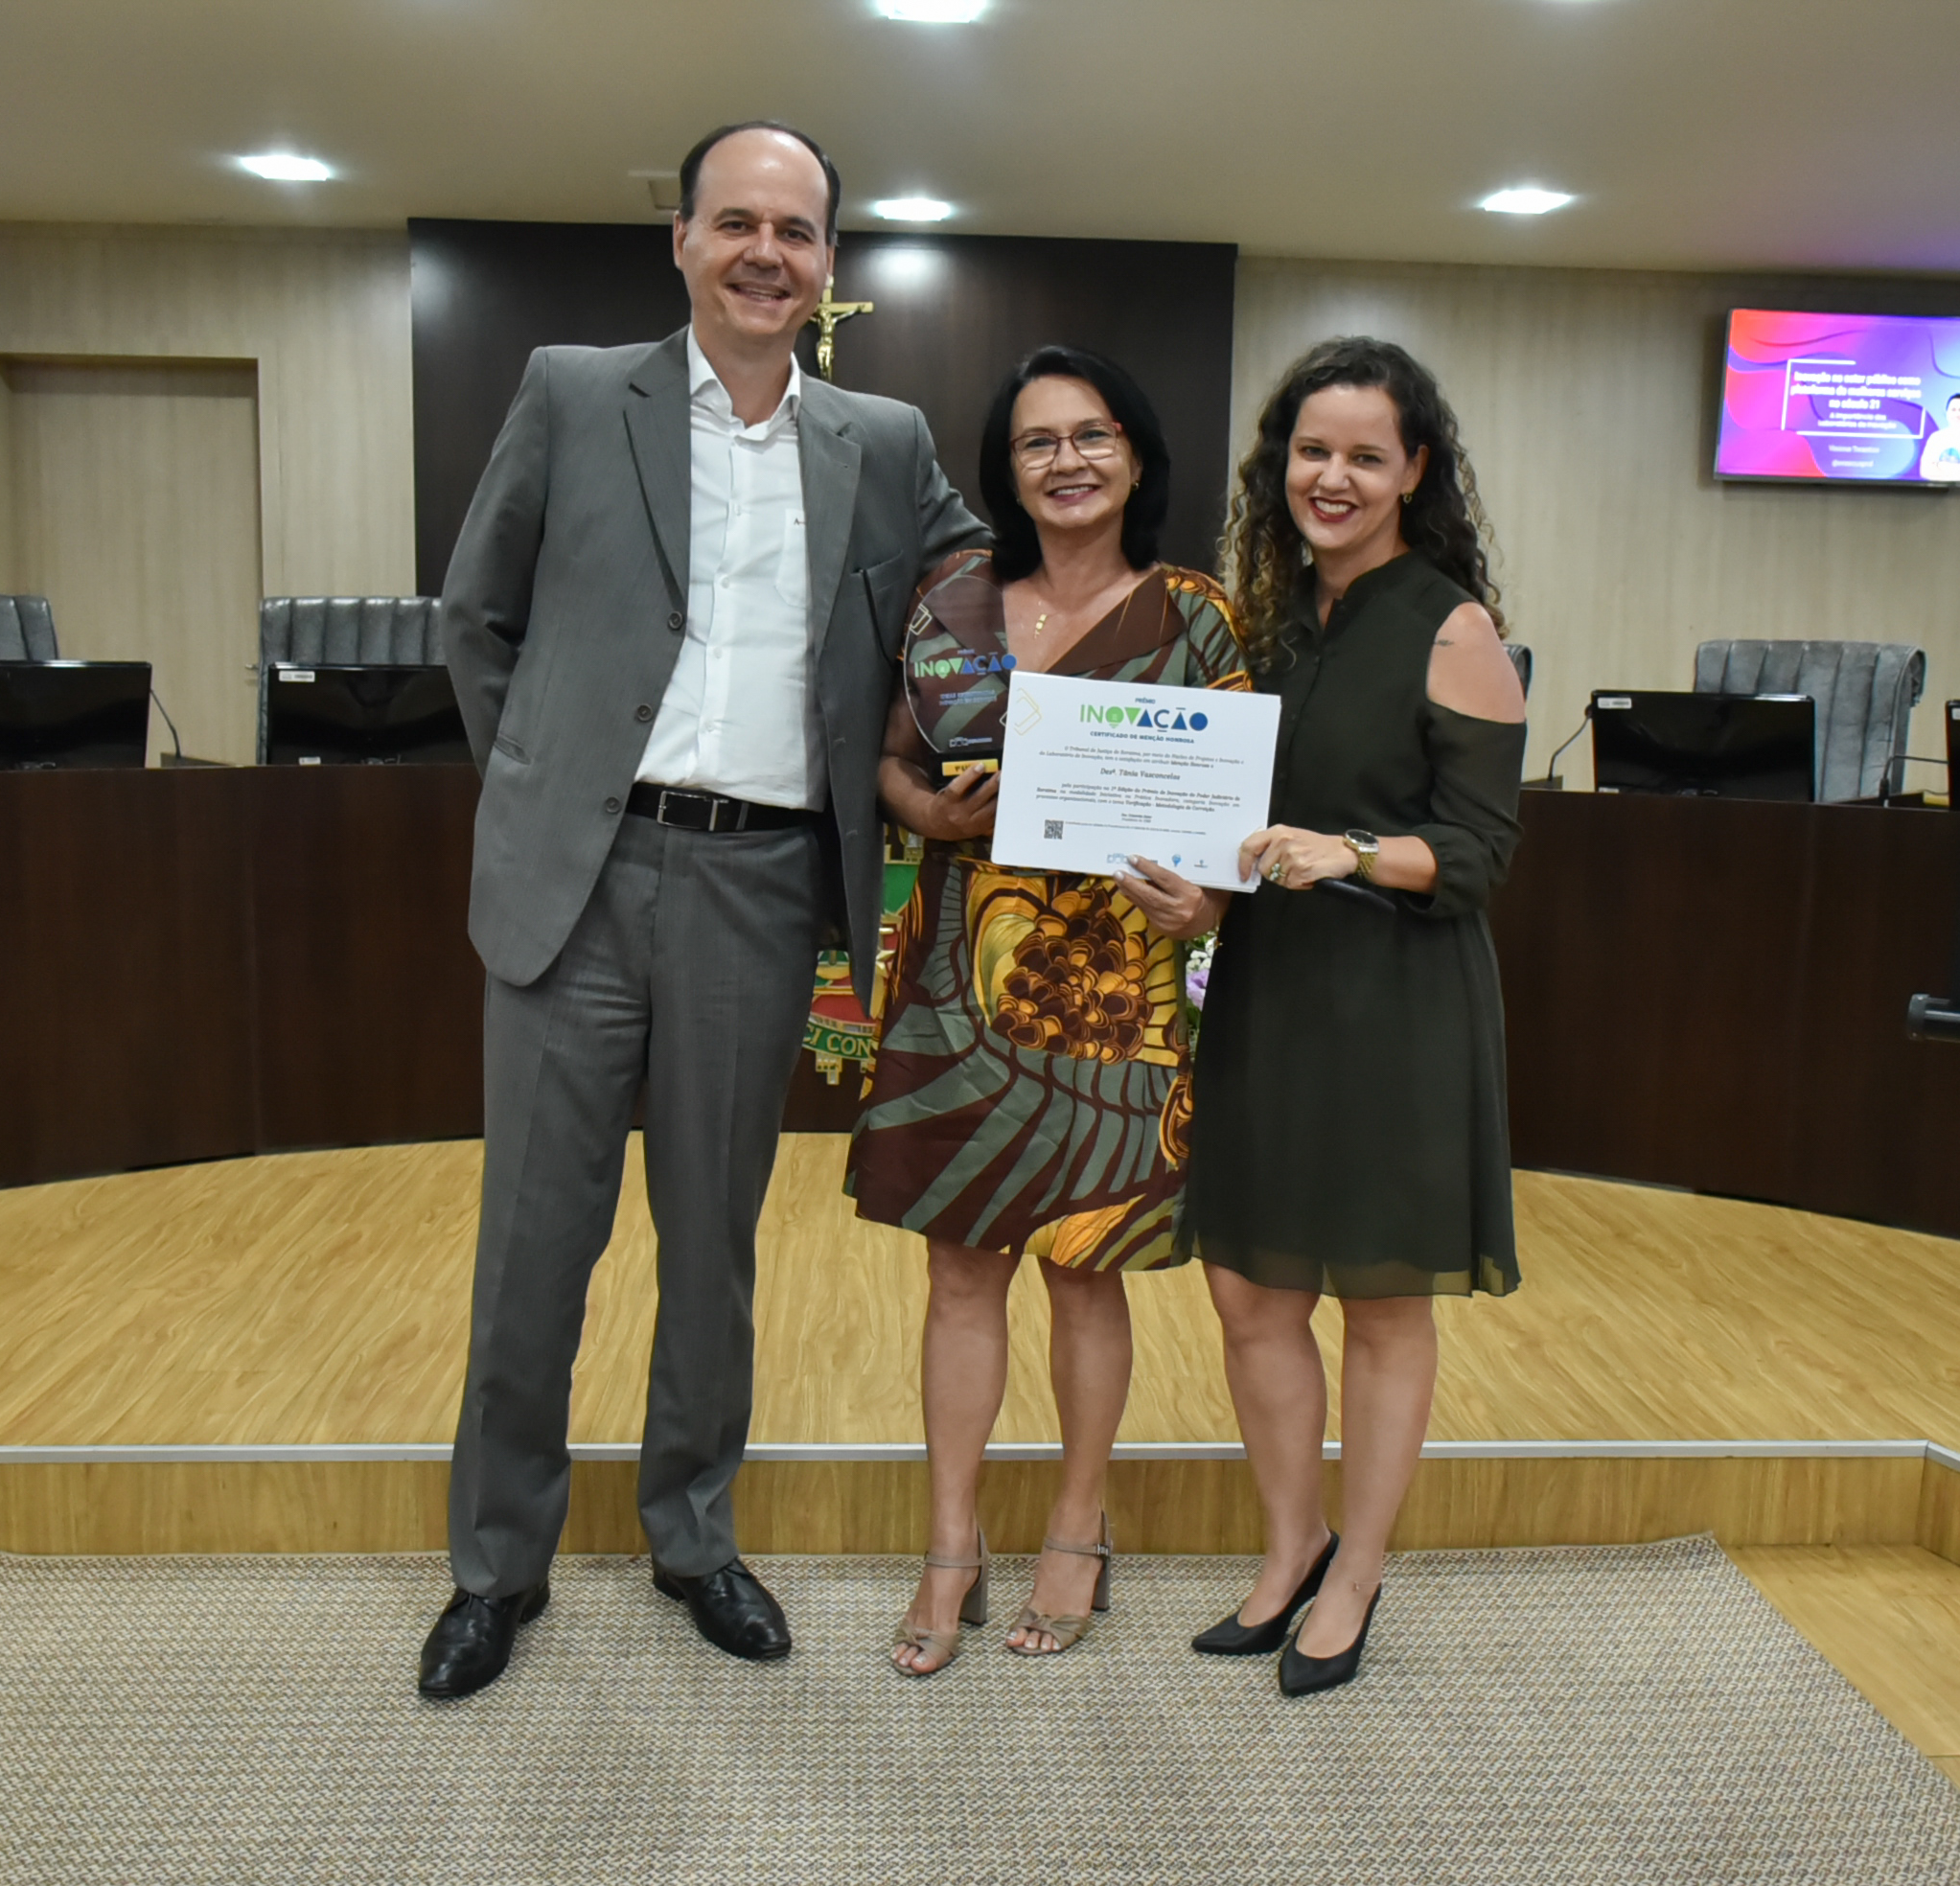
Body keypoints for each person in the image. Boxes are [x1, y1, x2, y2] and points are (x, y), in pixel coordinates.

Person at [423, 120, 986, 1699]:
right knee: (534, 1245)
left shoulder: (878, 441)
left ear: (827, 268)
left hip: (756, 884)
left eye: (793, 232)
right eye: (733, 222)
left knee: (713, 1247)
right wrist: (538, 781)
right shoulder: (567, 391)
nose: (762, 252)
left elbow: (977, 588)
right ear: (677, 240)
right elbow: (476, 614)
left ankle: (691, 1533)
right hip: (576, 887)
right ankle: (496, 1565)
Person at [851, 347, 1248, 1676]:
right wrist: (924, 810)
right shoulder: (949, 598)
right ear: (1004, 469)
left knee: (1087, 1270)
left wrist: (1213, 905)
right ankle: (949, 1543)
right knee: (959, 1272)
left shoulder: (1195, 614)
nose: (1066, 462)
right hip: (960, 982)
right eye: (1037, 443)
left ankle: (1078, 1526)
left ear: (1135, 455)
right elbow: (892, 765)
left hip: (1117, 996)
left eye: (1092, 436)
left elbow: (1235, 818)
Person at [1181, 335, 1529, 1697]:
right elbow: (1230, 831)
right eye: (1311, 453)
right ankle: (1291, 1550)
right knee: (1251, 1292)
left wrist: (1350, 850)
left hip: (1398, 1005)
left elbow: (1483, 853)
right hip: (1271, 992)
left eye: (1364, 457)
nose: (1332, 478)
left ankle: (1360, 1576)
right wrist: (1193, 892)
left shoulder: (1452, 625)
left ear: (1413, 473)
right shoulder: (1262, 631)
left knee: (1382, 1306)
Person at [1918, 391, 1960, 482]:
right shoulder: (1935, 438)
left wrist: (1940, 466)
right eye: (1953, 410)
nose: (1957, 414)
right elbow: (1925, 471)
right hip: (1935, 493)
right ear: (1947, 412)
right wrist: (1957, 469)